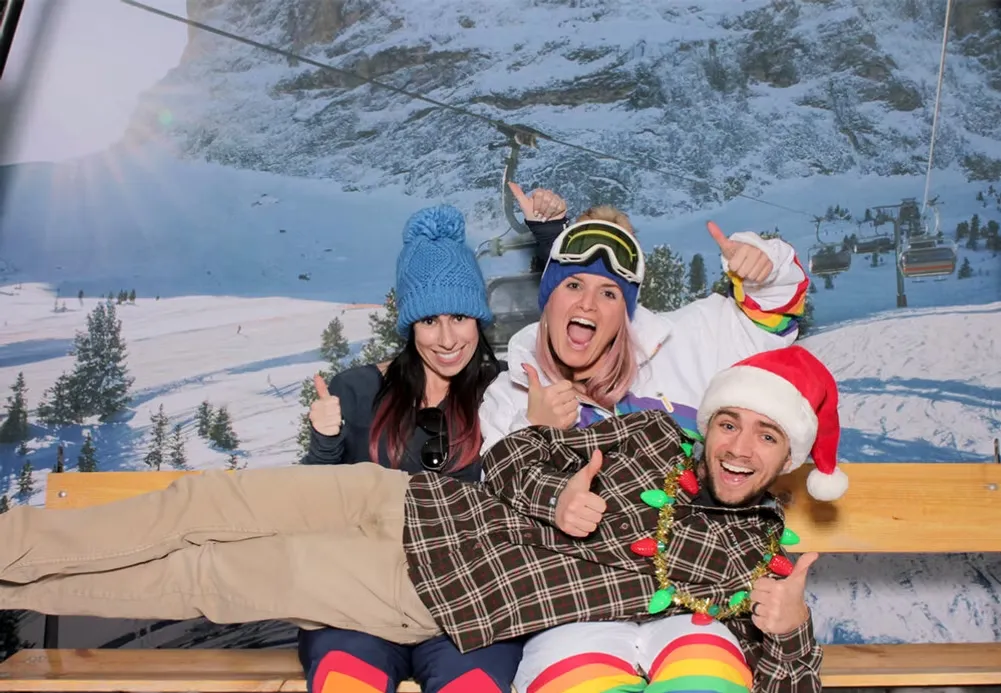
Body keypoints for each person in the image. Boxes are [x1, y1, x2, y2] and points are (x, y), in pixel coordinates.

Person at [0, 346, 843, 693]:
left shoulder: (756, 554)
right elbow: (515, 456)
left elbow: (778, 682)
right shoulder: (649, 431)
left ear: (788, 458)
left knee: (206, 577)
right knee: (199, 503)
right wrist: (555, 494)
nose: (738, 446)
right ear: (712, 419)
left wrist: (792, 627)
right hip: (406, 498)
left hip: (430, 587)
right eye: (731, 421)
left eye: (766, 435)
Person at [485, 188, 820, 691]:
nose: (589, 304)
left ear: (629, 311)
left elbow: (770, 319)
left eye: (610, 294)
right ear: (549, 298)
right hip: (575, 617)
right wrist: (534, 434)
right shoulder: (509, 394)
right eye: (572, 284)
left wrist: (764, 265)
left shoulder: (685, 343)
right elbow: (492, 524)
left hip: (692, 609)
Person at [298, 204, 522, 693]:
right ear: (409, 327)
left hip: (470, 610)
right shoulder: (359, 391)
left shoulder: (503, 394)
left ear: (479, 320)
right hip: (361, 606)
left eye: (460, 317)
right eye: (429, 320)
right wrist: (326, 441)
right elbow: (315, 505)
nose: (447, 339)